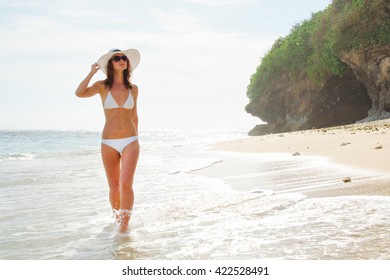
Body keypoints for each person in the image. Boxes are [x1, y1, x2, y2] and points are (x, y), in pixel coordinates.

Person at [75, 48, 141, 233]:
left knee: (126, 182)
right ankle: (117, 218)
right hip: (108, 142)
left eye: (124, 58)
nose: (121, 60)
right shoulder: (102, 86)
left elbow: (135, 115)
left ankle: (124, 226)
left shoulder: (133, 89)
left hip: (130, 140)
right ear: (110, 64)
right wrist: (92, 71)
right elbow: (79, 93)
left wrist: (137, 137)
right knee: (114, 187)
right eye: (116, 58)